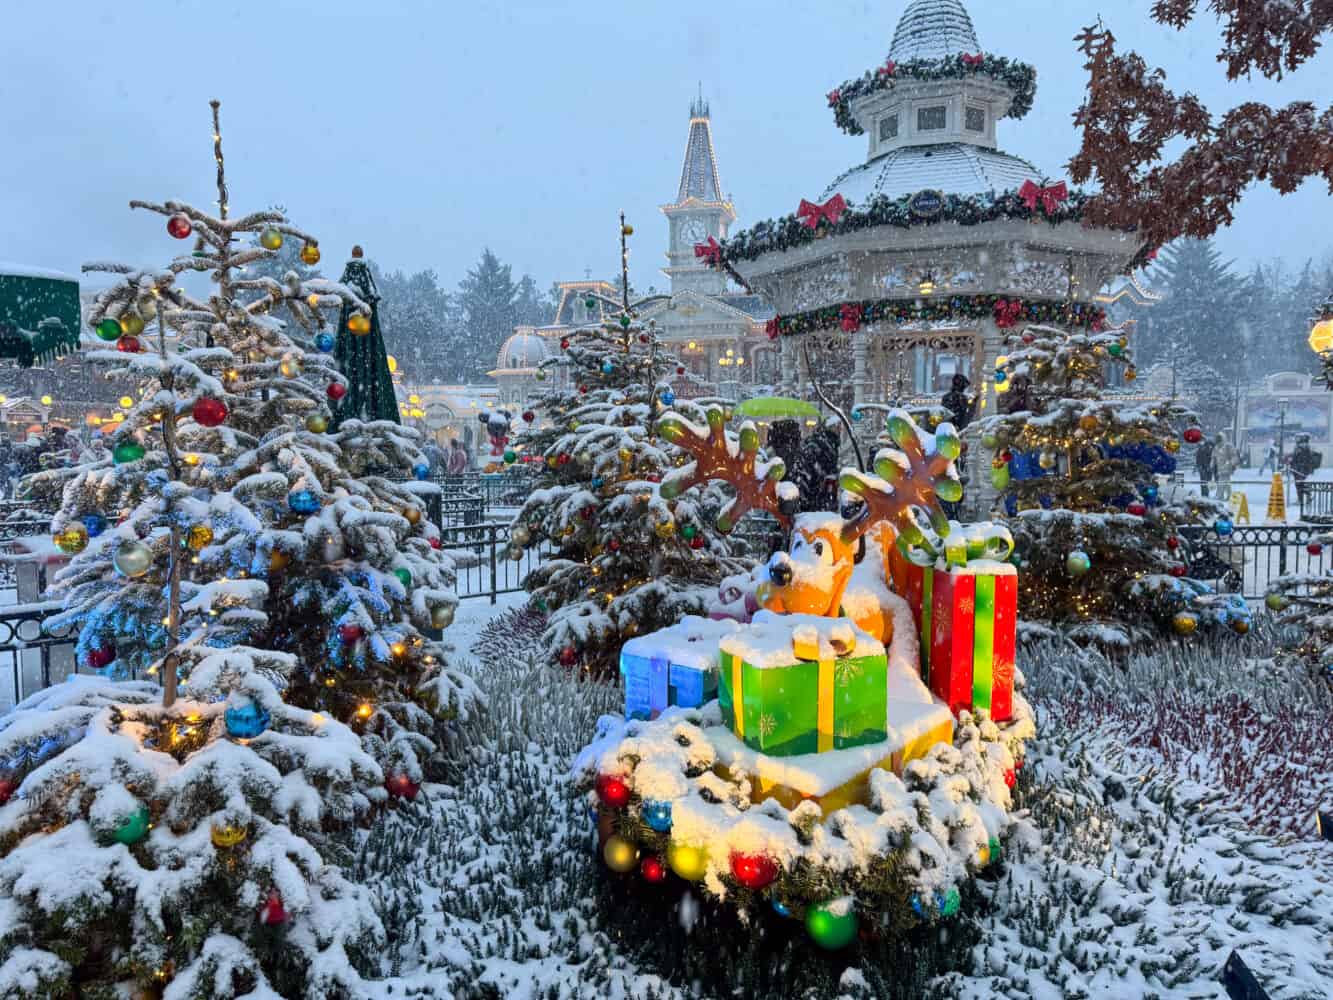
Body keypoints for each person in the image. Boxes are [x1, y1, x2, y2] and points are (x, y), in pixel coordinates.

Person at [1213, 432, 1240, 503]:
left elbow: (1234, 456)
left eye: (1219, 440)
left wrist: (1230, 463)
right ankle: (1228, 496)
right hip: (1220, 468)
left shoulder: (1228, 446)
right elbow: (1214, 456)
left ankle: (1220, 495)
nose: (1218, 442)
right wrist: (1212, 463)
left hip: (1227, 468)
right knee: (1226, 483)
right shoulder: (1216, 447)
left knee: (1222, 481)